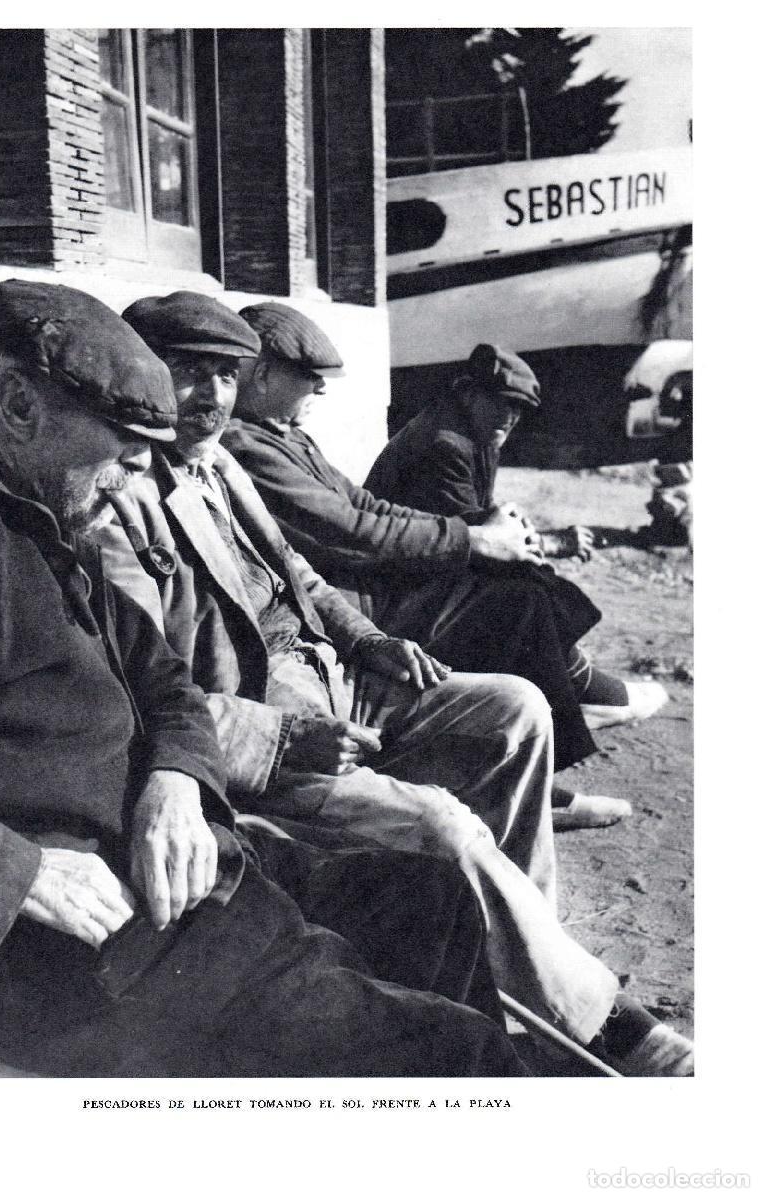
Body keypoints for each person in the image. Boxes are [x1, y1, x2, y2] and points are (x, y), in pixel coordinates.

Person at [0, 278, 533, 1079]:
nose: (138, 477)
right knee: (458, 1055)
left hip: (204, 877)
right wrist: (13, 871)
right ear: (21, 406)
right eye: (123, 447)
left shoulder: (51, 532)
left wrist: (174, 779)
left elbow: (167, 684)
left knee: (432, 900)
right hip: (107, 956)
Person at [96, 290, 693, 1075]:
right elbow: (150, 692)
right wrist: (287, 739)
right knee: (443, 826)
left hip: (334, 677)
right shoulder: (117, 501)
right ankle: (595, 1026)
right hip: (269, 733)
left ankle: (525, 961)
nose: (212, 396)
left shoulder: (220, 464)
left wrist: (370, 639)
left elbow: (299, 572)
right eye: (189, 374)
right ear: (138, 377)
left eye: (226, 374)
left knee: (515, 709)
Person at [223, 306, 662, 826]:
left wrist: (482, 535)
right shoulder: (247, 445)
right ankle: (545, 771)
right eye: (310, 378)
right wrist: (475, 538)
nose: (320, 390)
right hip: (353, 602)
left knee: (520, 589)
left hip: (369, 583)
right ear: (264, 373)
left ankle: (558, 727)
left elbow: (365, 505)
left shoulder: (285, 435)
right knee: (515, 601)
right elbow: (349, 530)